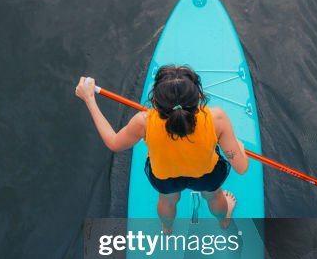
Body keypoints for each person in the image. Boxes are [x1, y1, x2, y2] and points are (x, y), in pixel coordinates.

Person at [75, 64, 249, 231]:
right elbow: (241, 168)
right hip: (206, 174)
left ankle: (167, 227)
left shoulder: (143, 122)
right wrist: (238, 148)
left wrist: (90, 100)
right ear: (198, 97)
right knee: (214, 196)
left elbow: (113, 142)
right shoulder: (216, 118)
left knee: (167, 201)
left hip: (165, 177)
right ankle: (223, 220)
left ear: (155, 99)